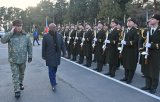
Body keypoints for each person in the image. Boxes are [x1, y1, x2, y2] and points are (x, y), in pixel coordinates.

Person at [1, 19, 32, 98]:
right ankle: (16, 90)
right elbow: (3, 40)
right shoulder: (10, 35)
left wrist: (30, 56)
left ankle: (20, 83)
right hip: (13, 60)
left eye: (20, 25)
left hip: (23, 59)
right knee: (15, 75)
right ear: (14, 26)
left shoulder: (26, 35)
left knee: (21, 74)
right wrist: (11, 32)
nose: (19, 27)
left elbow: (29, 46)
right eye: (17, 26)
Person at [139, 14, 160, 94]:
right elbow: (141, 41)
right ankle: (147, 85)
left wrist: (152, 45)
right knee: (146, 69)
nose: (151, 20)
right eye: (151, 18)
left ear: (158, 20)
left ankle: (153, 87)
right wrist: (141, 50)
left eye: (153, 19)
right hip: (147, 53)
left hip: (156, 54)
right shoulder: (147, 30)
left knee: (154, 70)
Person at [42, 23, 66, 91]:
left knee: (55, 69)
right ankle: (53, 84)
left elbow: (62, 45)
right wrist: (43, 55)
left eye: (55, 27)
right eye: (52, 27)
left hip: (57, 55)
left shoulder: (59, 35)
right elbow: (44, 47)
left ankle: (53, 79)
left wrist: (64, 52)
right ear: (49, 28)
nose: (54, 28)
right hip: (49, 56)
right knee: (51, 70)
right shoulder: (46, 36)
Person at [120, 17, 139, 84]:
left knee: (131, 65)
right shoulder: (126, 30)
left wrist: (126, 43)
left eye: (130, 21)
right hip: (125, 50)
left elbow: (135, 41)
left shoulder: (136, 30)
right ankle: (126, 77)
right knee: (126, 63)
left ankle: (130, 78)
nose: (128, 22)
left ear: (134, 23)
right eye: (128, 21)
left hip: (132, 51)